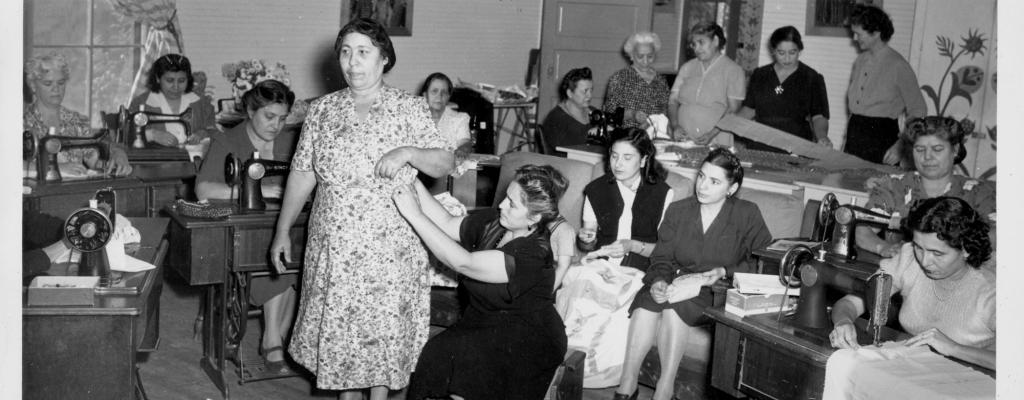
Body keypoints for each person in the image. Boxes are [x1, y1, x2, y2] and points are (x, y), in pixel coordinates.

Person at [268, 18, 454, 400]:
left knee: (381, 339)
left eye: (364, 52)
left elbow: (443, 163)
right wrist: (282, 230)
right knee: (341, 340)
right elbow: (303, 174)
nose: (353, 62)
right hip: (334, 245)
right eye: (346, 52)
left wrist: (408, 152)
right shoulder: (321, 110)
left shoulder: (409, 108)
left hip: (389, 248)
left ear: (384, 59)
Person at [394, 165, 568, 400]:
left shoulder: (534, 253)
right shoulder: (496, 221)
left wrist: (414, 215)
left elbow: (463, 263)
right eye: (506, 196)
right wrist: (411, 179)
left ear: (535, 217)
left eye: (512, 204)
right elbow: (446, 222)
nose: (502, 205)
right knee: (436, 353)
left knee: (472, 373)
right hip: (482, 323)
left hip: (527, 337)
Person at [616, 148, 772, 400]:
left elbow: (763, 263)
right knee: (646, 305)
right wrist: (658, 281)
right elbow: (662, 257)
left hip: (717, 290)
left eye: (714, 181)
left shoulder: (747, 214)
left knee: (674, 308)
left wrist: (722, 272)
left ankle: (664, 389)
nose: (703, 186)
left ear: (731, 189)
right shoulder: (679, 210)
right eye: (701, 176)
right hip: (674, 280)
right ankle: (627, 384)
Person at [556, 127, 675, 387]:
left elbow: (666, 252)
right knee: (580, 280)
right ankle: (566, 366)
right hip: (603, 265)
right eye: (614, 156)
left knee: (618, 305)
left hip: (642, 269)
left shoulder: (663, 193)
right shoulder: (596, 190)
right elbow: (588, 239)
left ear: (644, 160)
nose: (618, 164)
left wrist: (632, 245)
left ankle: (593, 375)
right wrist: (586, 239)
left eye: (627, 157)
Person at [195, 79, 298, 372]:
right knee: (276, 252)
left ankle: (276, 335)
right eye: (269, 117)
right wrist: (255, 190)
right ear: (251, 110)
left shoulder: (290, 142)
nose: (276, 125)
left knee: (300, 254)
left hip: (280, 224)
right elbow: (203, 190)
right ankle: (273, 340)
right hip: (236, 232)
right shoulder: (227, 141)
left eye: (282, 118)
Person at [830, 197, 994, 370]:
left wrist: (954, 348)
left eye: (937, 253)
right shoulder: (909, 259)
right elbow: (850, 303)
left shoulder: (991, 291)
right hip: (915, 371)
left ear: (966, 249)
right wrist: (843, 322)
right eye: (918, 247)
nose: (924, 261)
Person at [856, 116, 995, 258]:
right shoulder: (894, 186)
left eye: (937, 149)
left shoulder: (978, 192)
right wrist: (883, 248)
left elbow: (996, 236)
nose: (927, 156)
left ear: (955, 150)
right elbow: (864, 228)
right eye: (920, 149)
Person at [24, 51, 131, 177]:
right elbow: (8, 164)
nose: (56, 89)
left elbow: (95, 158)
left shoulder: (77, 121)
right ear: (33, 85)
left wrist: (118, 154)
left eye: (61, 82)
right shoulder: (21, 122)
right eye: (48, 83)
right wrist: (58, 168)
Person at [844, 4, 927, 164]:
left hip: (882, 139)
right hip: (855, 135)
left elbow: (918, 109)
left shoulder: (898, 65)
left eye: (859, 34)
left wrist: (901, 145)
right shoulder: (860, 61)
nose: (855, 39)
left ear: (876, 33)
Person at [737, 26, 831, 152]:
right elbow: (748, 110)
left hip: (796, 146)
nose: (787, 59)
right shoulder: (760, 74)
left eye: (792, 52)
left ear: (800, 50)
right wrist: (725, 123)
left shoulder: (812, 77)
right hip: (760, 143)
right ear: (773, 51)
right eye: (781, 53)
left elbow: (819, 116)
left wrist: (822, 137)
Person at [668, 22, 746, 148]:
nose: (696, 48)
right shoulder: (687, 67)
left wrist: (712, 134)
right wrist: (675, 125)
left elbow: (733, 109)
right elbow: (672, 101)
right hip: (684, 137)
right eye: (694, 44)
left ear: (715, 41)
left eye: (701, 42)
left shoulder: (733, 70)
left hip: (716, 137)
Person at [128, 53, 217, 148]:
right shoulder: (141, 103)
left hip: (194, 160)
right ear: (158, 78)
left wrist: (202, 133)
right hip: (155, 161)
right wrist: (152, 135)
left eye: (182, 81)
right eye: (170, 80)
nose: (176, 87)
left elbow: (213, 132)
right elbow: (127, 136)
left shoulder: (200, 103)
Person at [604, 32, 671, 129]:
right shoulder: (620, 78)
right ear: (631, 55)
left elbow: (666, 112)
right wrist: (632, 114)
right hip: (627, 137)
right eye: (640, 56)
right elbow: (609, 114)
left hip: (655, 136)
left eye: (650, 56)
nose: (645, 61)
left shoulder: (661, 81)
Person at [418, 72, 473, 157]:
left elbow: (465, 144)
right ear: (425, 95)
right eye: (434, 91)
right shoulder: (414, 117)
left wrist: (463, 150)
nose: (439, 96)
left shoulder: (459, 119)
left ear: (448, 97)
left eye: (444, 92)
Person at [542, 67, 594, 155]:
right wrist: (592, 134)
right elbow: (569, 151)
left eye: (591, 90)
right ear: (569, 93)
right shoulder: (556, 119)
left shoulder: (594, 112)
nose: (589, 96)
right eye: (585, 91)